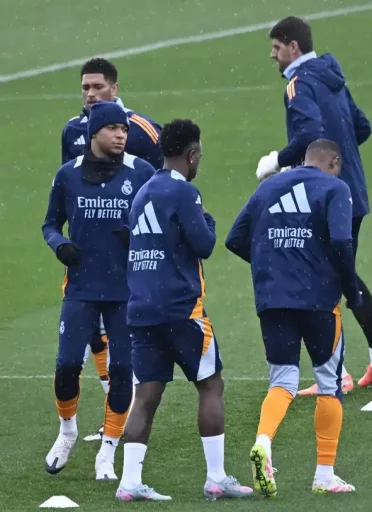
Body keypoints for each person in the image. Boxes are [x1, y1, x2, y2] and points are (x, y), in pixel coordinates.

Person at [256, 16, 372, 394]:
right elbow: (361, 127)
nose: (273, 56)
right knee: (341, 273)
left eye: (275, 48)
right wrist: (340, 158)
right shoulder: (333, 77)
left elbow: (307, 133)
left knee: (325, 278)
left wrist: (279, 161)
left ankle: (338, 374)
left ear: (292, 47)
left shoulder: (299, 84)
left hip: (323, 195)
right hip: (352, 190)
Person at [116, 119, 252, 502]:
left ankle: (129, 482)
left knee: (146, 395)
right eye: (199, 156)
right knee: (210, 385)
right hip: (181, 310)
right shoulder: (183, 192)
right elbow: (205, 244)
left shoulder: (142, 192)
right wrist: (206, 217)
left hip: (141, 309)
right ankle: (216, 477)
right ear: (191, 155)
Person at [226, 139, 360, 495]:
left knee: (282, 381)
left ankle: (264, 442)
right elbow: (342, 242)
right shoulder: (335, 187)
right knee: (329, 383)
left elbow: (235, 238)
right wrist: (351, 288)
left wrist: (274, 265)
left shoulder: (269, 186)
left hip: (273, 299)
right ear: (333, 161)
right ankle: (324, 475)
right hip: (318, 300)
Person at [42, 101, 155, 479]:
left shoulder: (141, 172)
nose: (122, 134)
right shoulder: (67, 175)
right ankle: (67, 430)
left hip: (127, 292)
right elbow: (50, 225)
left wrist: (138, 236)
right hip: (81, 290)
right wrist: (60, 245)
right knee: (66, 366)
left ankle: (107, 451)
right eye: (114, 129)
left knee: (123, 371)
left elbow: (162, 219)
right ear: (94, 134)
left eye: (125, 129)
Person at [60, 57, 163, 440]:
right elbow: (67, 189)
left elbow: (164, 180)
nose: (90, 93)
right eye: (85, 87)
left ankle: (128, 408)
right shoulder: (72, 130)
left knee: (128, 336)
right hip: (86, 255)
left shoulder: (140, 130)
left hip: (129, 257)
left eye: (97, 87)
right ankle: (114, 407)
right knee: (89, 334)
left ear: (115, 89)